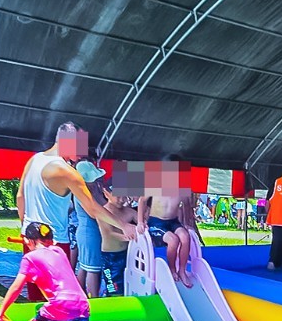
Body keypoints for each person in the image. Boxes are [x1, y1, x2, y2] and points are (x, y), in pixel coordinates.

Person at [17, 122, 134, 249]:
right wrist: (124, 225)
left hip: (29, 239)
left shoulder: (35, 159)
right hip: (54, 242)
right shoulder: (67, 172)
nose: (83, 152)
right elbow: (92, 209)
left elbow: (20, 197)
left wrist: (26, 228)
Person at [138, 156, 201, 287]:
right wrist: (140, 221)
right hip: (156, 222)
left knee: (185, 237)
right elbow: (142, 200)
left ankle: (182, 270)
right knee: (173, 240)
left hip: (173, 222)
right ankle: (172, 269)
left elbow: (187, 205)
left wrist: (187, 222)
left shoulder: (182, 188)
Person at [74, 160, 107, 297]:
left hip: (86, 232)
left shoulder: (89, 190)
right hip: (90, 232)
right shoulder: (84, 194)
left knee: (84, 265)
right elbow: (95, 213)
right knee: (93, 268)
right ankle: (94, 298)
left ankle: (79, 293)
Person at [101, 190, 137, 297]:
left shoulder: (128, 211)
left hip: (127, 254)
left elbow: (143, 220)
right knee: (114, 290)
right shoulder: (103, 212)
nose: (122, 200)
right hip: (111, 257)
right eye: (118, 197)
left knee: (129, 284)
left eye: (124, 197)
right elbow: (109, 233)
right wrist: (128, 237)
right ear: (106, 193)